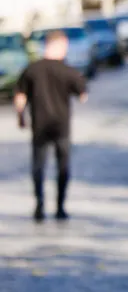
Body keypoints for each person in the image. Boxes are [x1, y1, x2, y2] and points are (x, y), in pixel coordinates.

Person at [14, 30, 88, 222]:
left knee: (38, 166)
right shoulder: (68, 71)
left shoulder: (32, 69)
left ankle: (39, 205)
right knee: (62, 166)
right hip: (61, 126)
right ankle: (60, 207)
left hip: (39, 125)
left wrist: (20, 117)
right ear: (60, 45)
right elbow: (83, 96)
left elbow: (20, 96)